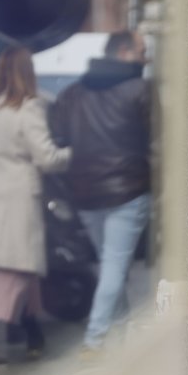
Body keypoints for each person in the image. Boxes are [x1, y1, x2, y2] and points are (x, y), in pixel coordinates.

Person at [0, 47, 71, 369]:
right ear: (28, 73)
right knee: (13, 269)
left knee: (4, 263)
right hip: (16, 198)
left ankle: (33, 336)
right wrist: (74, 154)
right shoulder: (28, 108)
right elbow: (47, 158)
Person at [50, 31, 151, 355]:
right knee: (113, 267)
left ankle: (121, 337)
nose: (145, 58)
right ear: (123, 52)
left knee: (113, 267)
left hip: (84, 192)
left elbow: (59, 136)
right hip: (129, 190)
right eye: (141, 51)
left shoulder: (71, 93)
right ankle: (94, 342)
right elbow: (159, 137)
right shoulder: (141, 89)